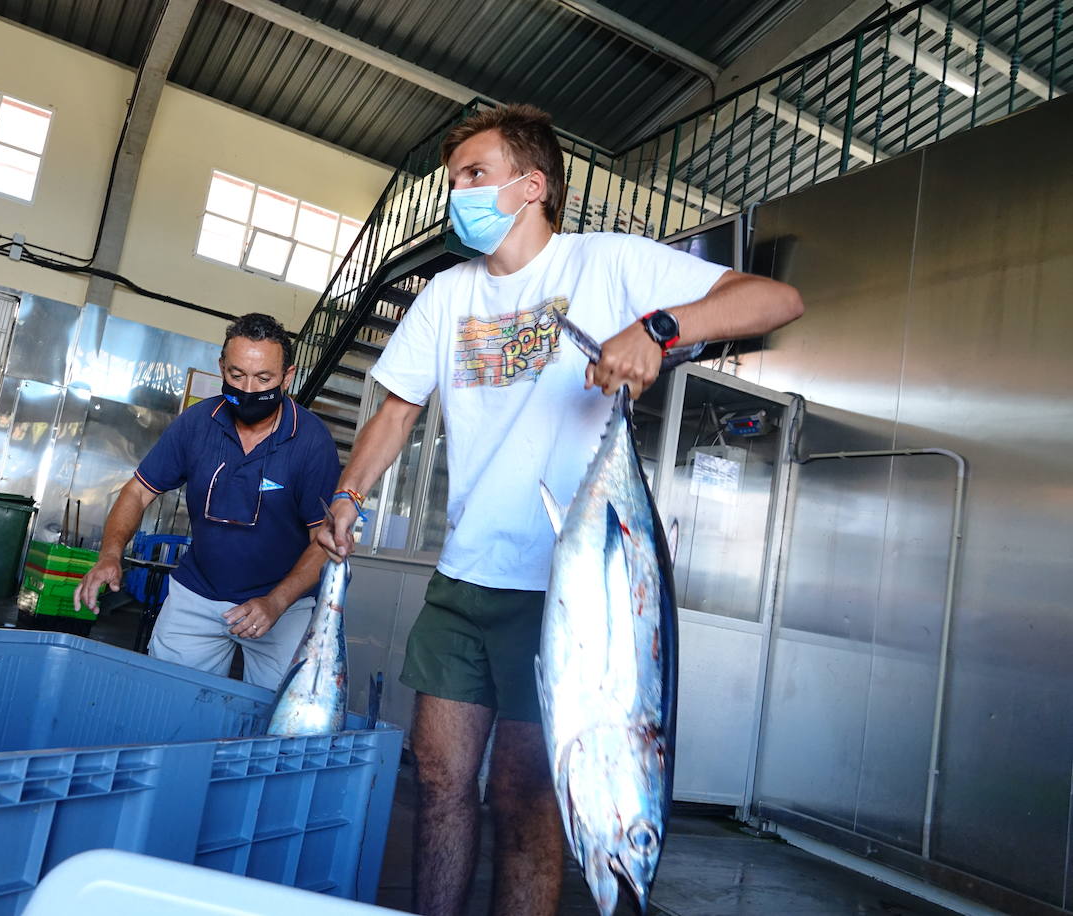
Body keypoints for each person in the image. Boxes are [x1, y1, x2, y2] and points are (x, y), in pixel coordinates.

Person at [318, 105, 804, 915]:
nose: (457, 195)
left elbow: (775, 300)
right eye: (454, 181)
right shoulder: (446, 294)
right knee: (438, 779)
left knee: (525, 799)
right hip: (463, 576)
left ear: (530, 184)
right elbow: (396, 411)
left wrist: (659, 328)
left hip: (566, 592)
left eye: (474, 175)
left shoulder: (606, 263)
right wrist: (347, 493)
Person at [76, 312, 340, 691]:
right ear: (221, 368)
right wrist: (110, 555)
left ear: (288, 376)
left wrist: (277, 602)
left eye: (264, 378)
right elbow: (137, 491)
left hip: (283, 605)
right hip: (197, 594)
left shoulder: (311, 442)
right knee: (167, 703)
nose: (249, 390)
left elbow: (324, 539)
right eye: (236, 376)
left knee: (281, 718)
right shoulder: (196, 424)